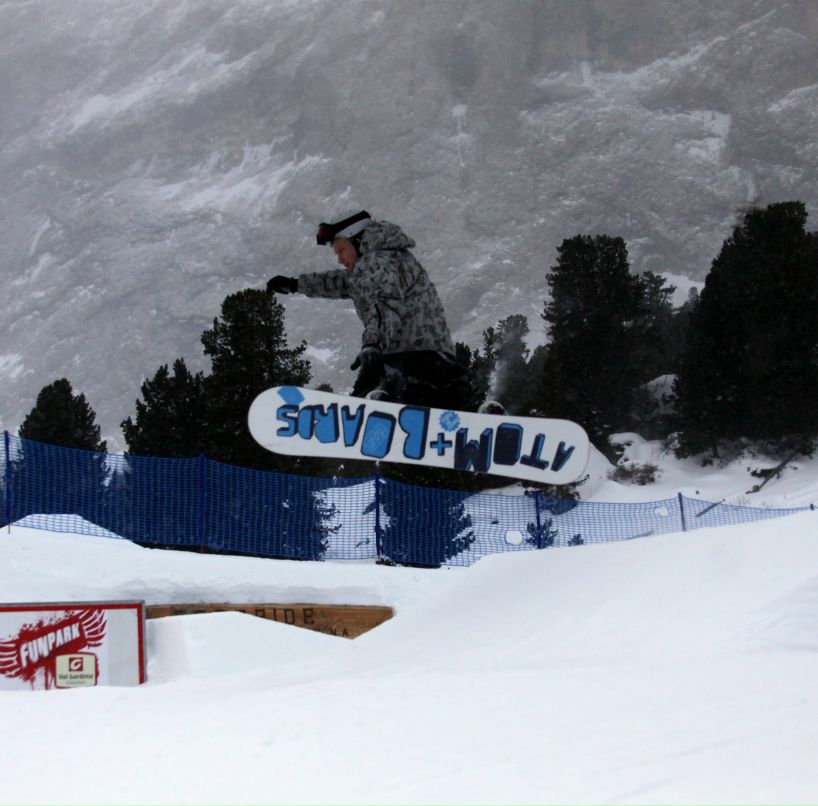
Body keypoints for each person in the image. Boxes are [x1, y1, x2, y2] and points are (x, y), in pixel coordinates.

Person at [267, 210, 468, 409]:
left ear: (356, 240)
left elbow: (385, 304)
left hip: (410, 361)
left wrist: (372, 343)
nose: (339, 259)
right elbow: (341, 282)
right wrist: (296, 284)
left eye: (340, 250)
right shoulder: (386, 258)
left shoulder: (376, 262)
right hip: (434, 360)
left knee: (363, 412)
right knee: (432, 414)